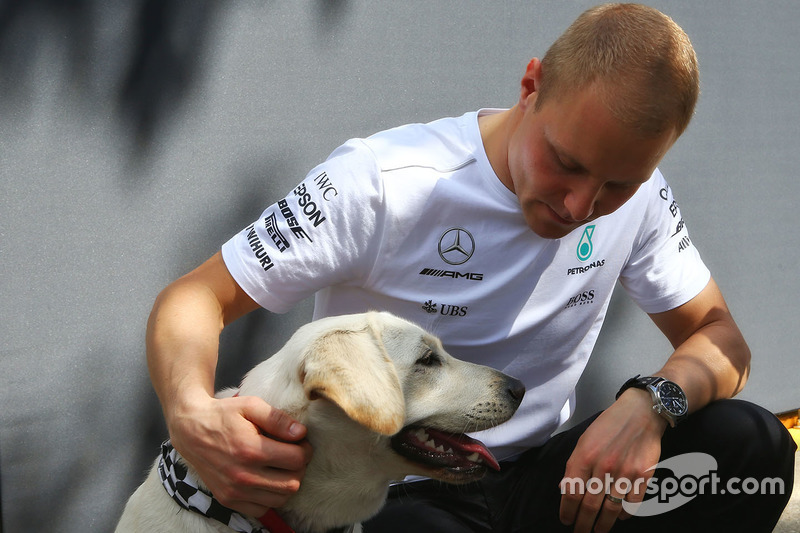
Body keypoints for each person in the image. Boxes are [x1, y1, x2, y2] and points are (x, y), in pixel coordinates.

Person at [146, 4, 795, 532]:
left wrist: (651, 404)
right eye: (566, 163)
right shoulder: (383, 182)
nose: (581, 206)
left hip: (542, 478)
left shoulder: (644, 199)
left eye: (617, 185)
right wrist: (189, 410)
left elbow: (720, 337)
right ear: (531, 85)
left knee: (754, 449)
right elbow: (196, 298)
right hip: (394, 496)